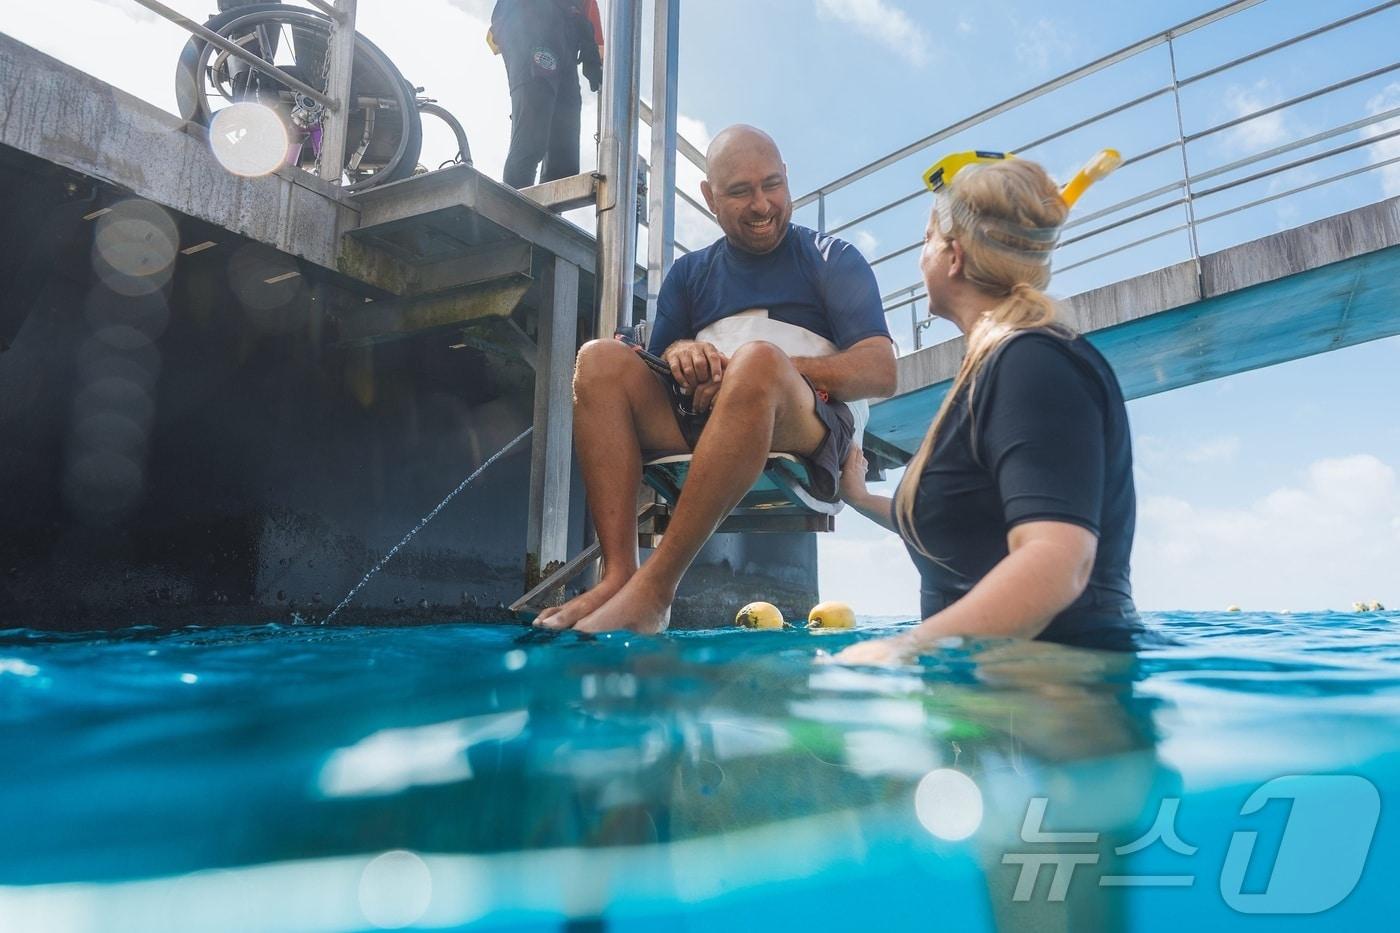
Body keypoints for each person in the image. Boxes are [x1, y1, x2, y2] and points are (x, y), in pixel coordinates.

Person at [535, 124, 897, 634]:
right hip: (701, 418)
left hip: (806, 423)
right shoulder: (689, 274)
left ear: (788, 179)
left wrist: (750, 369)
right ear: (708, 197)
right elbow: (655, 364)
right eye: (740, 191)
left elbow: (882, 371)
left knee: (759, 364)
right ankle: (620, 574)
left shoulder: (832, 259)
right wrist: (685, 353)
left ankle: (655, 591)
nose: (762, 204)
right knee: (598, 360)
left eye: (772, 184)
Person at [834, 154, 1154, 664]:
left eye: (925, 241)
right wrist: (857, 495)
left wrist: (900, 649)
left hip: (1058, 702)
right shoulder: (1000, 366)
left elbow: (1057, 561)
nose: (920, 258)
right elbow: (960, 525)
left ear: (954, 256)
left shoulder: (1032, 361)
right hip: (999, 702)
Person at [489, 0, 604, 189]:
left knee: (564, 160)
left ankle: (547, 215)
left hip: (567, 34)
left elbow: (589, 14)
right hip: (529, 25)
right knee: (531, 139)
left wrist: (591, 46)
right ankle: (512, 209)